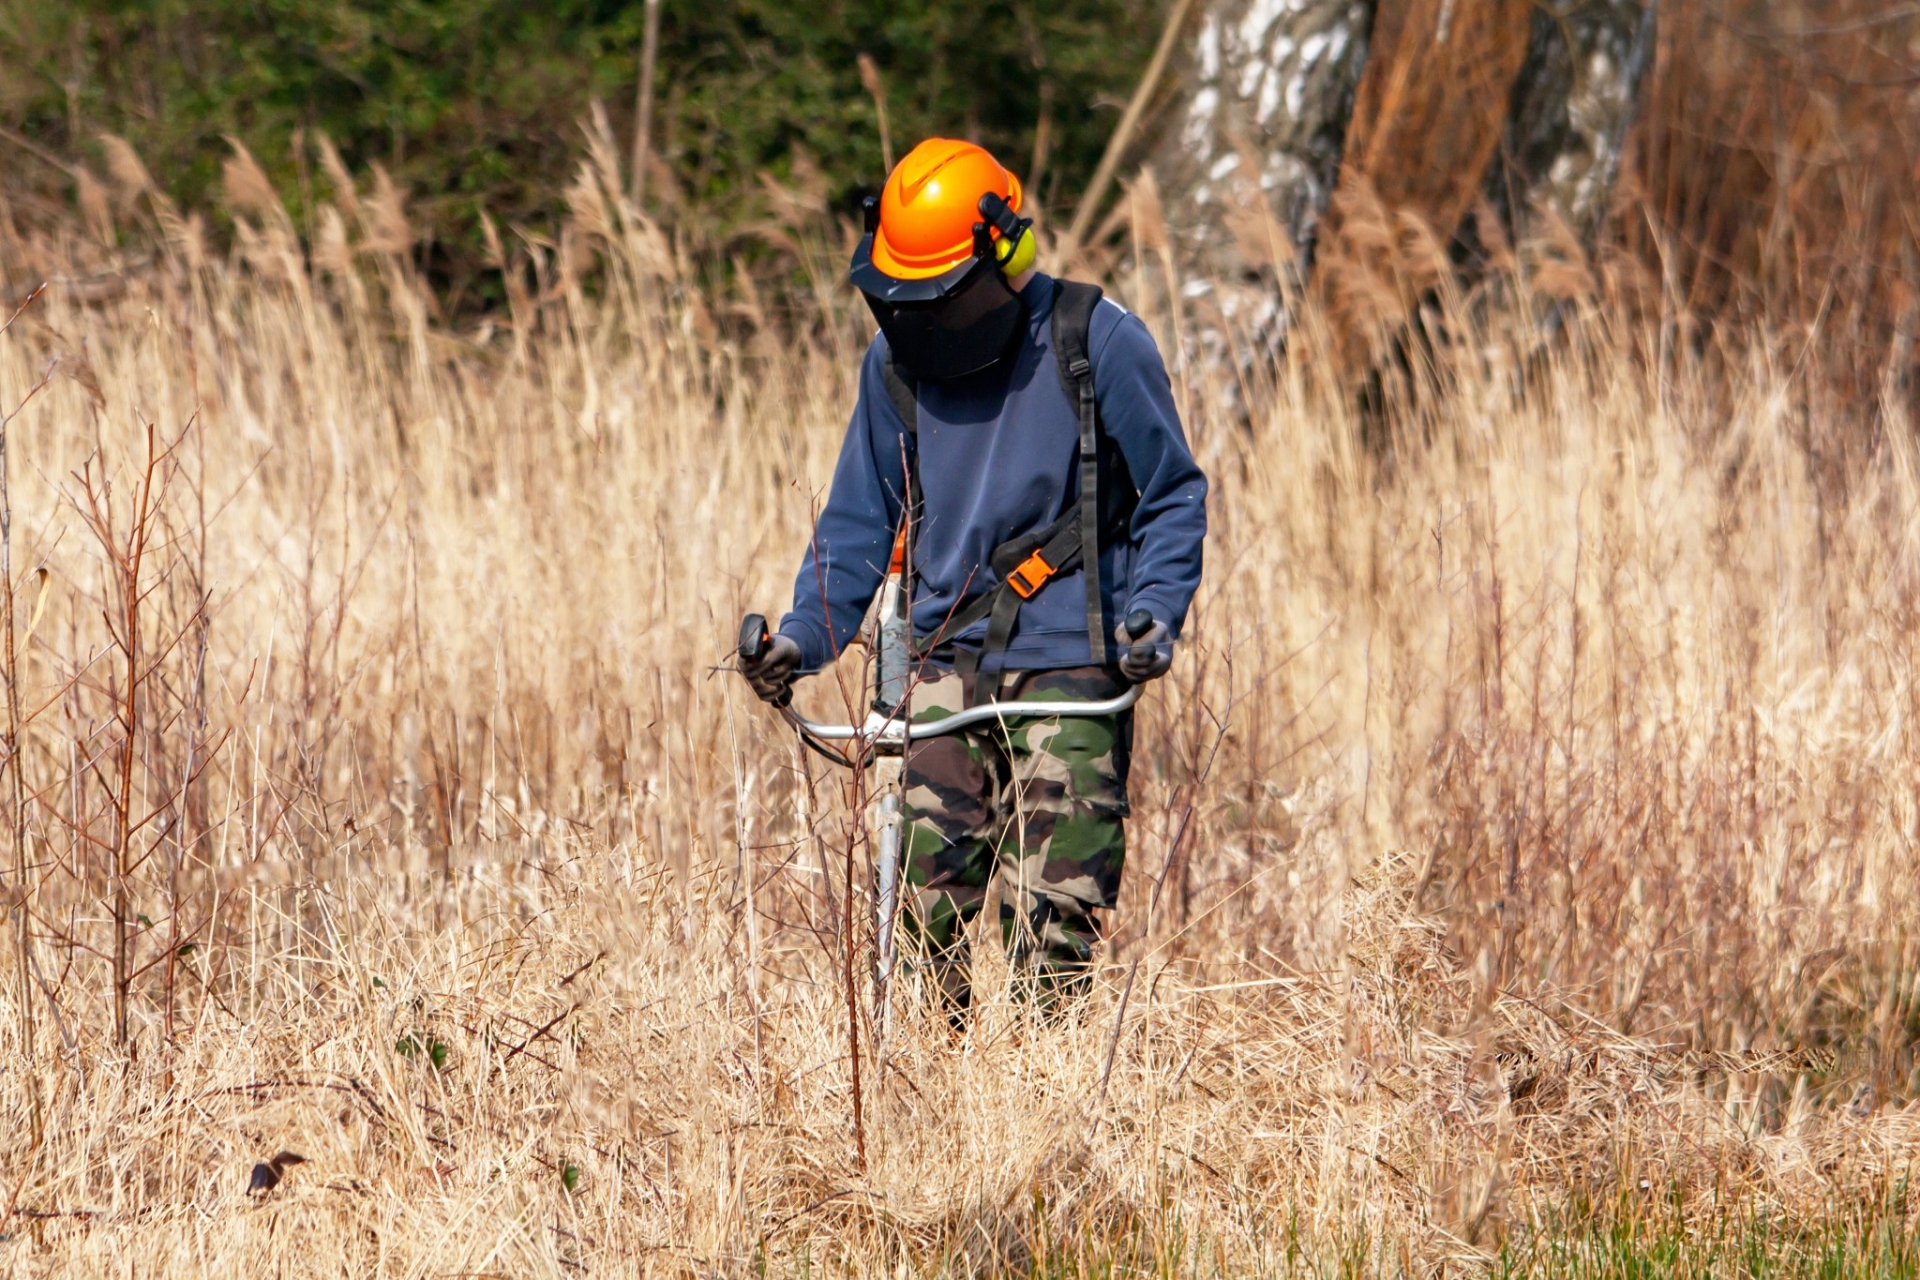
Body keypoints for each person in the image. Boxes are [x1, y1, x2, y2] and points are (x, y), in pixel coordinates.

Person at [741, 137, 1208, 1008]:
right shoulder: (893, 370)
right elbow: (853, 527)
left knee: (1054, 931)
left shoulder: (1096, 341)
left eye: (940, 300)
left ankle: (1041, 1116)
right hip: (936, 665)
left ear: (1007, 255)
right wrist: (801, 641)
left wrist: (1153, 613)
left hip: (1072, 665)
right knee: (918, 927)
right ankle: (924, 1115)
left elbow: (1172, 495)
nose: (923, 321)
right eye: (906, 302)